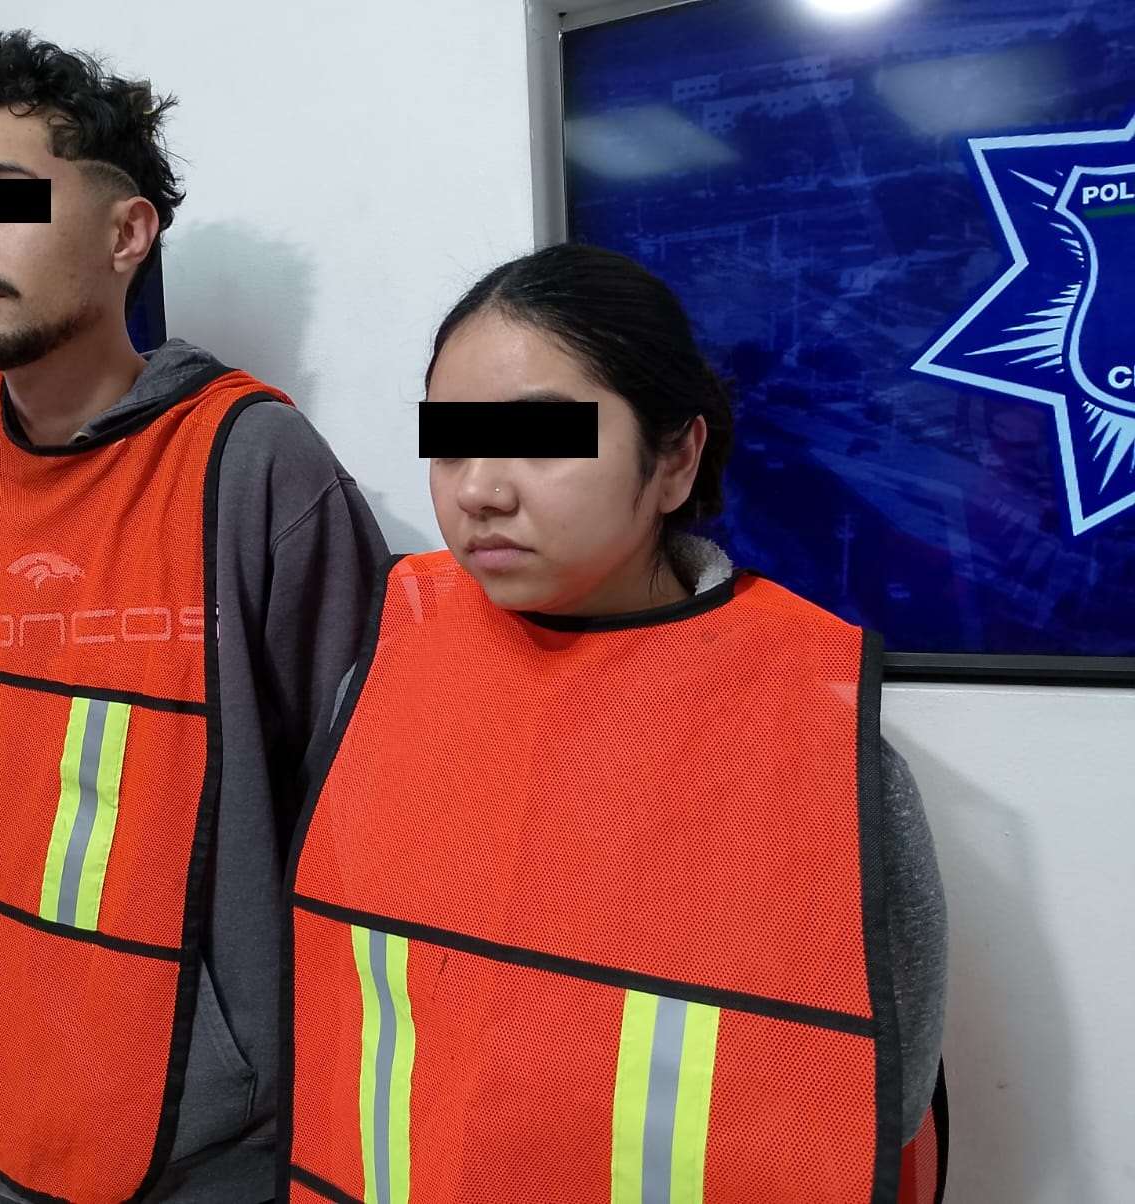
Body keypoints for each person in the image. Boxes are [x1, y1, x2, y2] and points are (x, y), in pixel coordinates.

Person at [280, 244, 948, 1203]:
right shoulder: (381, 678)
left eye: (542, 440)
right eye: (452, 444)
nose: (478, 490)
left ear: (675, 459)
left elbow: (879, 1092)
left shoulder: (816, 744)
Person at [0, 30, 389, 1204]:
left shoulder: (252, 466)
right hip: (2, 1090)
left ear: (125, 234)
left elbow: (366, 822)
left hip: (210, 1133)